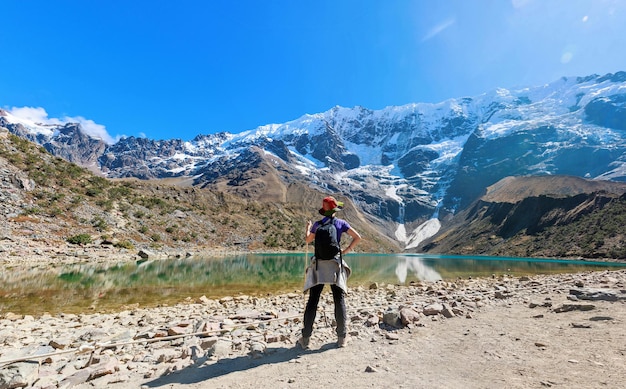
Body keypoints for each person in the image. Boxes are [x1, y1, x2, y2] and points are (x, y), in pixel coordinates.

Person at [298, 196, 361, 349]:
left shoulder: (317, 225)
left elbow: (307, 240)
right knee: (339, 300)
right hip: (335, 265)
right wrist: (345, 251)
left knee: (313, 300)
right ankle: (342, 338)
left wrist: (308, 228)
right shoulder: (341, 223)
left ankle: (305, 339)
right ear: (335, 210)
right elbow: (358, 237)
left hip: (319, 266)